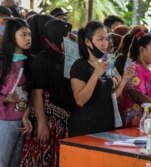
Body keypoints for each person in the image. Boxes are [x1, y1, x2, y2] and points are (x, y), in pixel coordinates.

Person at [20, 20, 75, 167]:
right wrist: (42, 123)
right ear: (56, 36)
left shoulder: (63, 57)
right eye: (66, 36)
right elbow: (37, 93)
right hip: (48, 122)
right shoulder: (43, 59)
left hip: (61, 122)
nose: (69, 39)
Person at [69, 20, 135, 137]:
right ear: (88, 42)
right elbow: (80, 100)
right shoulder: (80, 65)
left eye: (106, 39)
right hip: (85, 130)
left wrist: (125, 78)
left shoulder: (105, 63)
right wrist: (96, 74)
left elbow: (112, 96)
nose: (105, 44)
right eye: (100, 39)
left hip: (106, 128)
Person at [0, 18, 32, 167]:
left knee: (14, 163)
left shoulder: (29, 62)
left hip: (20, 122)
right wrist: (5, 100)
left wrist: (26, 115)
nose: (28, 38)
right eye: (23, 34)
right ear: (12, 35)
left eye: (29, 34)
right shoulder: (3, 62)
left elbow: (29, 93)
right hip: (3, 121)